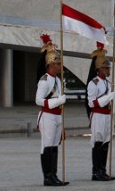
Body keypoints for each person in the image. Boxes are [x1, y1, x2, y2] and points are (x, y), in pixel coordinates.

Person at [35, 34, 69, 187]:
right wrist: (57, 101)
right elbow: (38, 100)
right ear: (50, 64)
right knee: (47, 145)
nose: (60, 66)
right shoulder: (44, 80)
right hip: (48, 115)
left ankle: (54, 175)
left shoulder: (57, 80)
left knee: (55, 145)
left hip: (56, 116)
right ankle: (47, 177)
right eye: (58, 63)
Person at [86, 43, 115, 181]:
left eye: (108, 67)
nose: (108, 70)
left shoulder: (109, 84)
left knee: (105, 142)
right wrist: (107, 98)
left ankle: (103, 170)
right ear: (99, 69)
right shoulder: (94, 83)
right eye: (105, 67)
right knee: (98, 142)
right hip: (97, 114)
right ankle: (96, 171)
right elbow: (91, 102)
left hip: (107, 115)